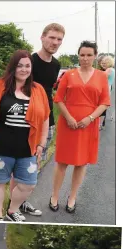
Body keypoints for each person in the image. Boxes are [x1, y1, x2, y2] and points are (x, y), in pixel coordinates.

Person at [0, 50, 50, 222]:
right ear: (12, 68)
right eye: (19, 66)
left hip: (27, 148)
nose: (23, 69)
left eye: (27, 66)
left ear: (31, 68)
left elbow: (45, 118)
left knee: (28, 183)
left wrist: (41, 144)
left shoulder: (38, 90)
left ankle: (12, 209)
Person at [9, 23, 65, 220]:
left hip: (47, 121)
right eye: (52, 38)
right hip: (25, 122)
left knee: (35, 162)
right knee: (22, 164)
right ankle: (13, 206)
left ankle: (19, 202)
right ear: (42, 37)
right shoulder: (29, 62)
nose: (55, 42)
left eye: (59, 39)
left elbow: (49, 92)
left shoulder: (57, 64)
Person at [49, 41, 110, 213]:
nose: (85, 58)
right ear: (78, 56)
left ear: (95, 56)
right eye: (82, 55)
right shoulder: (69, 74)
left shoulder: (101, 76)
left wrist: (90, 118)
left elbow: (105, 102)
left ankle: (72, 197)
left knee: (81, 163)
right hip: (68, 123)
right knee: (62, 162)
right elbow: (59, 98)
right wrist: (68, 117)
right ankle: (54, 195)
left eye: (89, 55)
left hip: (88, 125)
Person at [99, 55, 115, 129]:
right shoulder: (112, 70)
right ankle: (101, 124)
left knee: (102, 107)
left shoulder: (109, 70)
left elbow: (101, 76)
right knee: (104, 107)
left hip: (104, 89)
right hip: (108, 89)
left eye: (105, 63)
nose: (103, 64)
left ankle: (99, 124)